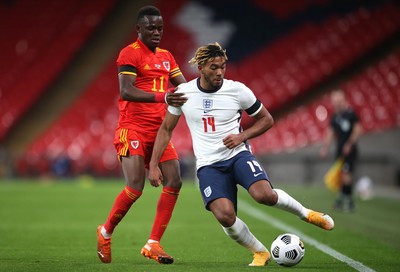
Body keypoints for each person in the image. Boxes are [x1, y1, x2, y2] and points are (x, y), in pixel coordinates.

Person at [148, 42, 334, 267]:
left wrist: (242, 137)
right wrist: (155, 163)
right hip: (208, 165)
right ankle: (260, 252)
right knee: (225, 216)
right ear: (201, 67)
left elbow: (267, 119)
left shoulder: (238, 90)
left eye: (223, 67)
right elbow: (166, 129)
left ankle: (307, 214)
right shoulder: (184, 93)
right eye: (214, 67)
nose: (219, 72)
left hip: (237, 155)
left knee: (264, 195)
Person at [96, 5, 187, 264]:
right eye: (151, 28)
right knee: (136, 187)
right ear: (139, 29)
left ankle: (153, 244)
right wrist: (163, 96)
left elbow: (185, 86)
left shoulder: (168, 56)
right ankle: (105, 232)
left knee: (175, 180)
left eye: (160, 28)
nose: (157, 32)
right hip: (132, 127)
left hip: (159, 131)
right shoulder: (129, 53)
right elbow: (126, 90)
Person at [320, 90, 363, 212]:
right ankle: (342, 198)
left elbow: (358, 129)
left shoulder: (351, 114)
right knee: (340, 175)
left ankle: (348, 201)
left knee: (346, 174)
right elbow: (330, 132)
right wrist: (325, 148)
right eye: (334, 102)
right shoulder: (335, 117)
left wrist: (350, 144)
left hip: (350, 150)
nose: (336, 104)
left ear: (343, 101)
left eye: (338, 101)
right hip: (340, 150)